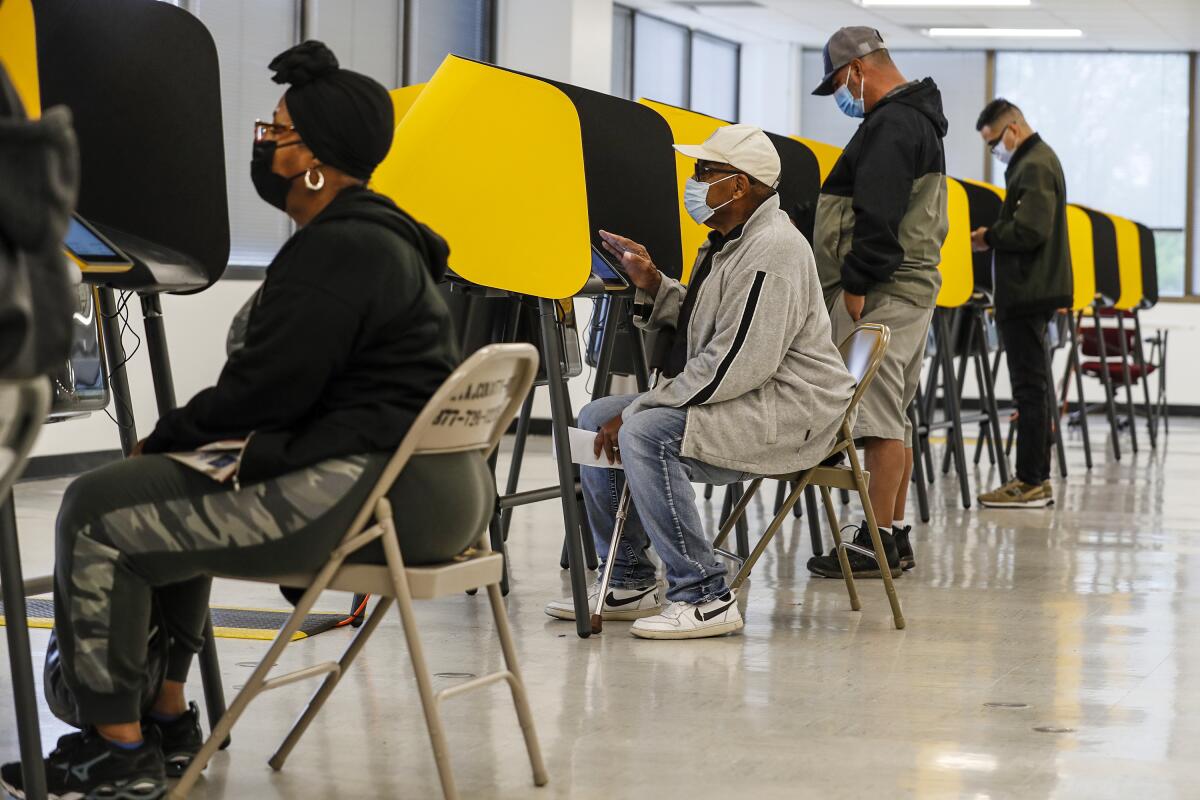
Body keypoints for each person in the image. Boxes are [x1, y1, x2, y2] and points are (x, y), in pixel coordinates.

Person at [0, 41, 494, 800]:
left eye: (280, 132)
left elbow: (265, 391)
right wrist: (187, 448)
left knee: (99, 504)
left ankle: (116, 747)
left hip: (382, 501)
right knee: (180, 480)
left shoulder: (343, 249)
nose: (265, 144)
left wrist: (162, 435)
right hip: (433, 490)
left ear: (319, 160)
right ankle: (166, 716)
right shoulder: (384, 240)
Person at [544, 125, 856, 640]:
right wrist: (654, 284)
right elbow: (709, 324)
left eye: (705, 172)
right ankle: (628, 577)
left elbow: (736, 362)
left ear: (739, 186)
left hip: (790, 410)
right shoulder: (729, 243)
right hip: (752, 393)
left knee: (643, 431)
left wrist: (641, 410)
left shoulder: (772, 250)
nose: (693, 181)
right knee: (596, 416)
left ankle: (706, 594)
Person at [804, 27, 949, 579]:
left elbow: (878, 214)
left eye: (839, 83)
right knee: (896, 414)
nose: (842, 97)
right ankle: (892, 534)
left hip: (881, 290)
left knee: (877, 416)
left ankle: (875, 541)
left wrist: (858, 286)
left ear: (858, 69)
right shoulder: (920, 120)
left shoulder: (890, 123)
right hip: (908, 289)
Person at [972, 99, 1072, 508]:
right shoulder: (1037, 161)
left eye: (995, 142)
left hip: (1029, 291)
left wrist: (990, 237)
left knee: (1030, 389)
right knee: (1035, 387)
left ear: (1012, 129)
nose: (995, 151)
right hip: (1034, 289)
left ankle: (1030, 481)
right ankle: (1036, 479)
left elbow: (1030, 229)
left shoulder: (1033, 164)